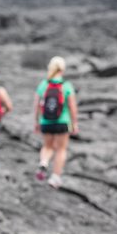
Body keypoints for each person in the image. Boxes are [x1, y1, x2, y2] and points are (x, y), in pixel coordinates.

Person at [33, 56, 78, 188]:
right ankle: (55, 177)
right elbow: (72, 107)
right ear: (63, 69)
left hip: (46, 122)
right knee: (61, 149)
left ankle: (44, 162)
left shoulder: (43, 85)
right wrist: (74, 123)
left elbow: (36, 105)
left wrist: (36, 122)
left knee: (47, 146)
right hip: (62, 122)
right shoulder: (66, 86)